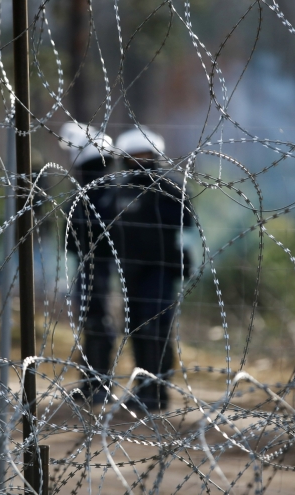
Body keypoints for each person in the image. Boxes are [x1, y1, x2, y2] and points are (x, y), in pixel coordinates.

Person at [113, 126, 194, 411]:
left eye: (141, 155)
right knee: (136, 329)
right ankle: (142, 388)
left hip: (159, 271)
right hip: (131, 272)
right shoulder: (121, 190)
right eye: (130, 156)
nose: (135, 161)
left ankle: (158, 392)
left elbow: (186, 220)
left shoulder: (168, 187)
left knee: (156, 330)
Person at [59, 123, 117, 404]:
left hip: (98, 263)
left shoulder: (96, 189)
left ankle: (99, 383)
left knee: (97, 318)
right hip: (92, 262)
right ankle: (92, 381)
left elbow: (84, 229)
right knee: (92, 318)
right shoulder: (99, 186)